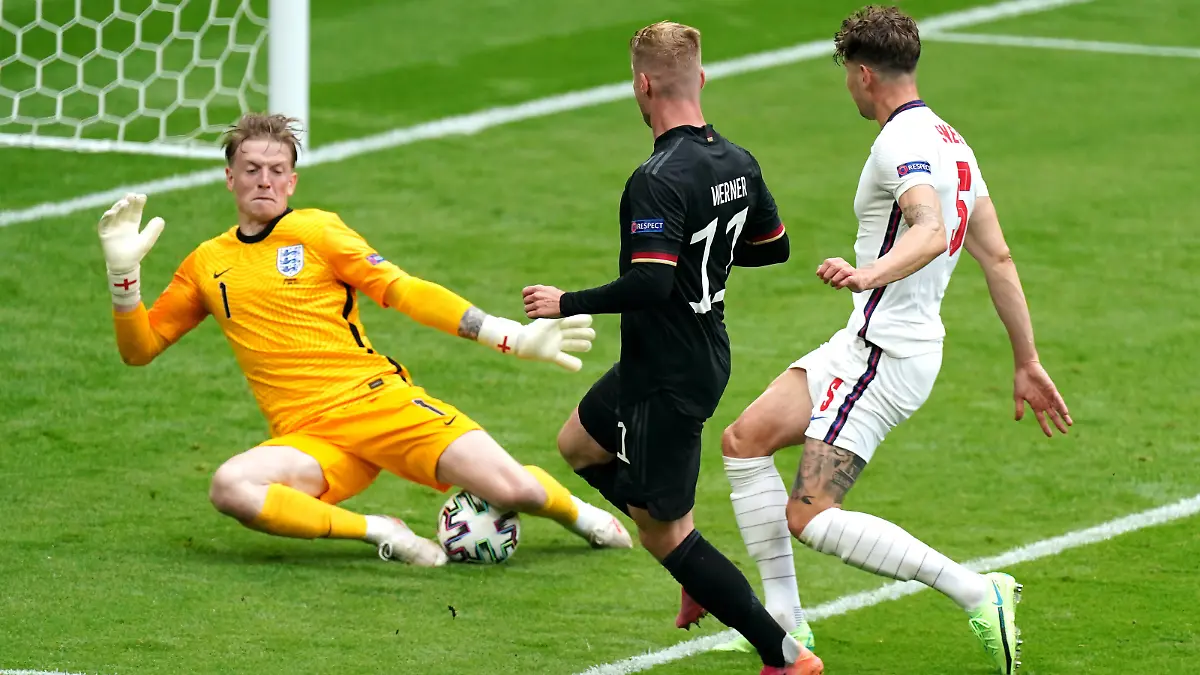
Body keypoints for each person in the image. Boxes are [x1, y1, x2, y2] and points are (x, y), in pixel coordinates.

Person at [94, 112, 632, 568]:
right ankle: (381, 532)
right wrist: (125, 281)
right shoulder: (206, 264)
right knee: (230, 488)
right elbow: (140, 349)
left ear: (292, 182)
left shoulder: (317, 232)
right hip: (310, 439)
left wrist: (506, 335)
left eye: (277, 170)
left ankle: (576, 514)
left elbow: (401, 290)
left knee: (515, 491)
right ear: (228, 177)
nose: (264, 180)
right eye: (252, 169)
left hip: (378, 403)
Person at [713, 6, 1072, 674]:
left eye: (847, 76)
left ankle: (975, 588)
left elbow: (929, 228)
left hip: (884, 354)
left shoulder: (898, 142)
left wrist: (866, 273)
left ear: (864, 73)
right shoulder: (956, 144)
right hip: (872, 342)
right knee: (744, 441)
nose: (848, 88)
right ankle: (785, 623)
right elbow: (998, 258)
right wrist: (1027, 358)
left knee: (811, 515)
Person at [522, 21, 822, 675]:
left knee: (664, 532)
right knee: (578, 443)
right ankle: (688, 558)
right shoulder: (738, 162)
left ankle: (785, 655)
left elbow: (652, 282)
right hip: (681, 353)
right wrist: (705, 253)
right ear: (701, 80)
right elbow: (776, 247)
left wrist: (564, 302)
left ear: (643, 84)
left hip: (671, 371)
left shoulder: (655, 178)